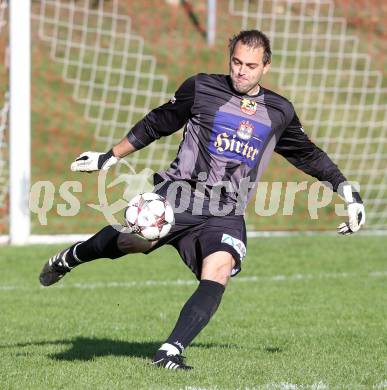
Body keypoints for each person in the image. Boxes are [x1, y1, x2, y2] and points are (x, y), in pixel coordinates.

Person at [39, 30, 365, 370]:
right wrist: (111, 156)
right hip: (180, 195)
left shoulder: (279, 111)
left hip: (226, 211)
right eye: (237, 62)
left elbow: (307, 154)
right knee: (131, 242)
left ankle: (169, 351)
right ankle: (71, 257)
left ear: (265, 67)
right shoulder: (201, 88)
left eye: (251, 65)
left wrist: (347, 192)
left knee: (219, 268)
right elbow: (158, 122)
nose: (242, 71)